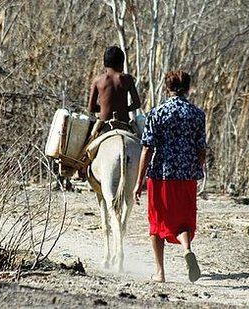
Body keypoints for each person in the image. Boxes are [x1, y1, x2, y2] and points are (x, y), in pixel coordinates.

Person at [133, 69, 207, 283]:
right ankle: (186, 249)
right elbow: (201, 149)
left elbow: (147, 148)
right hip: (186, 176)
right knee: (183, 220)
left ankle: (160, 272)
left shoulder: (157, 112)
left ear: (167, 88)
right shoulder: (196, 114)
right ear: (188, 88)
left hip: (160, 174)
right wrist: (195, 167)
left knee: (157, 222)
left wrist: (139, 182)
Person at [87, 46, 141, 129]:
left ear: (105, 62)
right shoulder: (127, 79)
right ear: (121, 63)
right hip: (124, 122)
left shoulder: (98, 80)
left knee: (88, 140)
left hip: (104, 124)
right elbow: (137, 104)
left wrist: (104, 108)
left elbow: (91, 107)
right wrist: (124, 109)